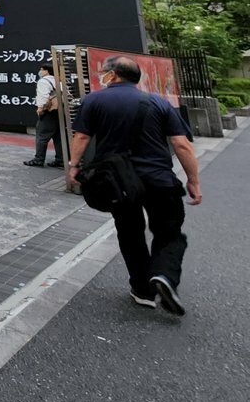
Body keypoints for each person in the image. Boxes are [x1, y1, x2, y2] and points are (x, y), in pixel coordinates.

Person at [68, 55, 202, 315]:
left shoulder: (94, 100)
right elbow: (181, 144)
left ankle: (142, 291)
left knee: (130, 234)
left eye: (103, 72)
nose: (101, 76)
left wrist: (74, 165)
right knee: (169, 232)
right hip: (160, 179)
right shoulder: (158, 102)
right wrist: (193, 181)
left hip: (118, 182)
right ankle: (164, 274)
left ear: (113, 75)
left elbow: (82, 136)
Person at [24, 64, 64, 168]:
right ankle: (61, 160)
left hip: (49, 112)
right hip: (60, 111)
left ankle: (39, 159)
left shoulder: (43, 81)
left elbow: (43, 97)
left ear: (47, 71)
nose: (40, 71)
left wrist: (40, 109)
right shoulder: (59, 81)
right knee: (59, 137)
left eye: (42, 69)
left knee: (42, 136)